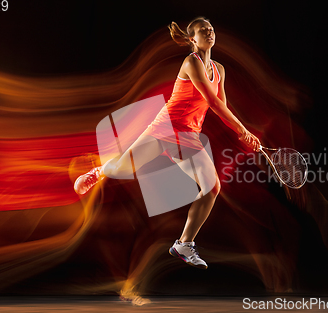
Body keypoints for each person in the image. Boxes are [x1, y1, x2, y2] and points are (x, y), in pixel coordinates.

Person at [74, 17, 260, 270]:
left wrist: (242, 134)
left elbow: (222, 105)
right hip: (165, 127)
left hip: (188, 136)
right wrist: (242, 129)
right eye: (202, 30)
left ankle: (184, 244)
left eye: (211, 29)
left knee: (212, 187)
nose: (209, 32)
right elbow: (212, 102)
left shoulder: (220, 70)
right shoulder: (190, 63)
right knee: (122, 169)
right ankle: (99, 172)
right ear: (192, 39)